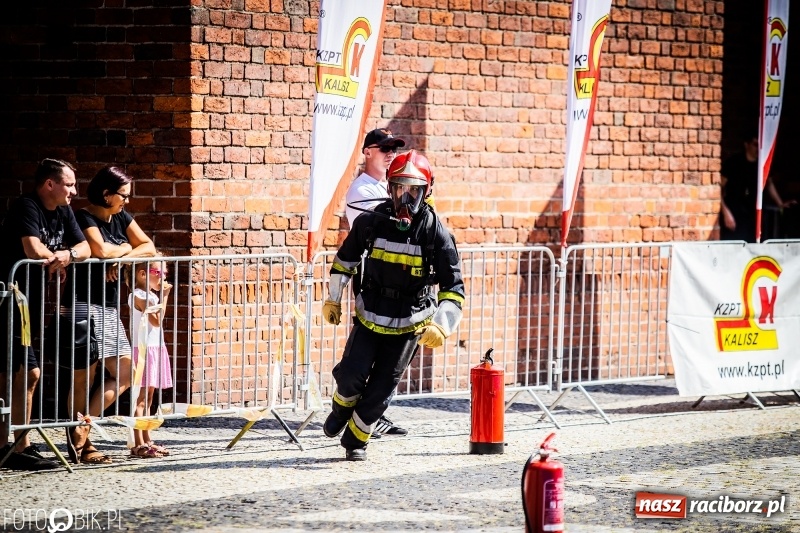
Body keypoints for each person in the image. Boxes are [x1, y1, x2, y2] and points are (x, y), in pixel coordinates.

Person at [322, 150, 465, 461]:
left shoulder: (436, 233)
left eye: (414, 190)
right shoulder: (371, 223)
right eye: (400, 188)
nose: (406, 197)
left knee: (380, 389)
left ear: (427, 191)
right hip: (371, 315)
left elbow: (453, 287)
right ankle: (340, 408)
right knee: (350, 374)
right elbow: (345, 260)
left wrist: (442, 324)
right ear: (389, 188)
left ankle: (357, 440)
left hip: (410, 323)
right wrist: (333, 298)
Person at [0, 158, 90, 470]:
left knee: (13, 372)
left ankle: (9, 444)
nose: (74, 191)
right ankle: (19, 445)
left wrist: (69, 255)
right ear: (49, 184)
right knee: (27, 372)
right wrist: (57, 258)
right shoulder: (28, 206)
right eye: (69, 184)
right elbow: (32, 248)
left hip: (30, 305)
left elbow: (86, 248)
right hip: (10, 300)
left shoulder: (63, 211)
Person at [64, 166, 156, 464]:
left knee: (128, 373)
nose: (126, 202)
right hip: (81, 304)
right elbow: (100, 250)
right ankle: (81, 444)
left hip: (108, 308)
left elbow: (149, 246)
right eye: (123, 196)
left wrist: (124, 255)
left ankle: (81, 429)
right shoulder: (82, 217)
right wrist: (126, 248)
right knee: (84, 377)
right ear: (106, 194)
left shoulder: (121, 217)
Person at [343, 128, 410, 438]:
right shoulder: (363, 190)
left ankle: (372, 409)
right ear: (367, 152)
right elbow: (397, 224)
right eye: (383, 149)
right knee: (372, 346)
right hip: (371, 275)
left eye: (393, 149)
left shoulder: (388, 186)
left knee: (389, 349)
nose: (390, 154)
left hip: (393, 275)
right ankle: (362, 407)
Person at [125, 259, 173, 458]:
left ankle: (147, 438)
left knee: (149, 397)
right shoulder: (137, 295)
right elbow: (155, 319)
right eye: (159, 273)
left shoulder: (152, 295)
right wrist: (165, 295)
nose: (163, 278)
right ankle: (138, 442)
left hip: (155, 348)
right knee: (141, 398)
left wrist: (160, 296)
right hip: (143, 350)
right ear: (143, 274)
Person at [720, 133, 796, 242]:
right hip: (735, 213)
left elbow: (769, 184)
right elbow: (719, 187)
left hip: (754, 215)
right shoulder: (733, 163)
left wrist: (780, 204)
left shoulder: (762, 164)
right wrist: (725, 212)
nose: (758, 149)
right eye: (755, 144)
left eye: (760, 146)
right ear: (747, 145)